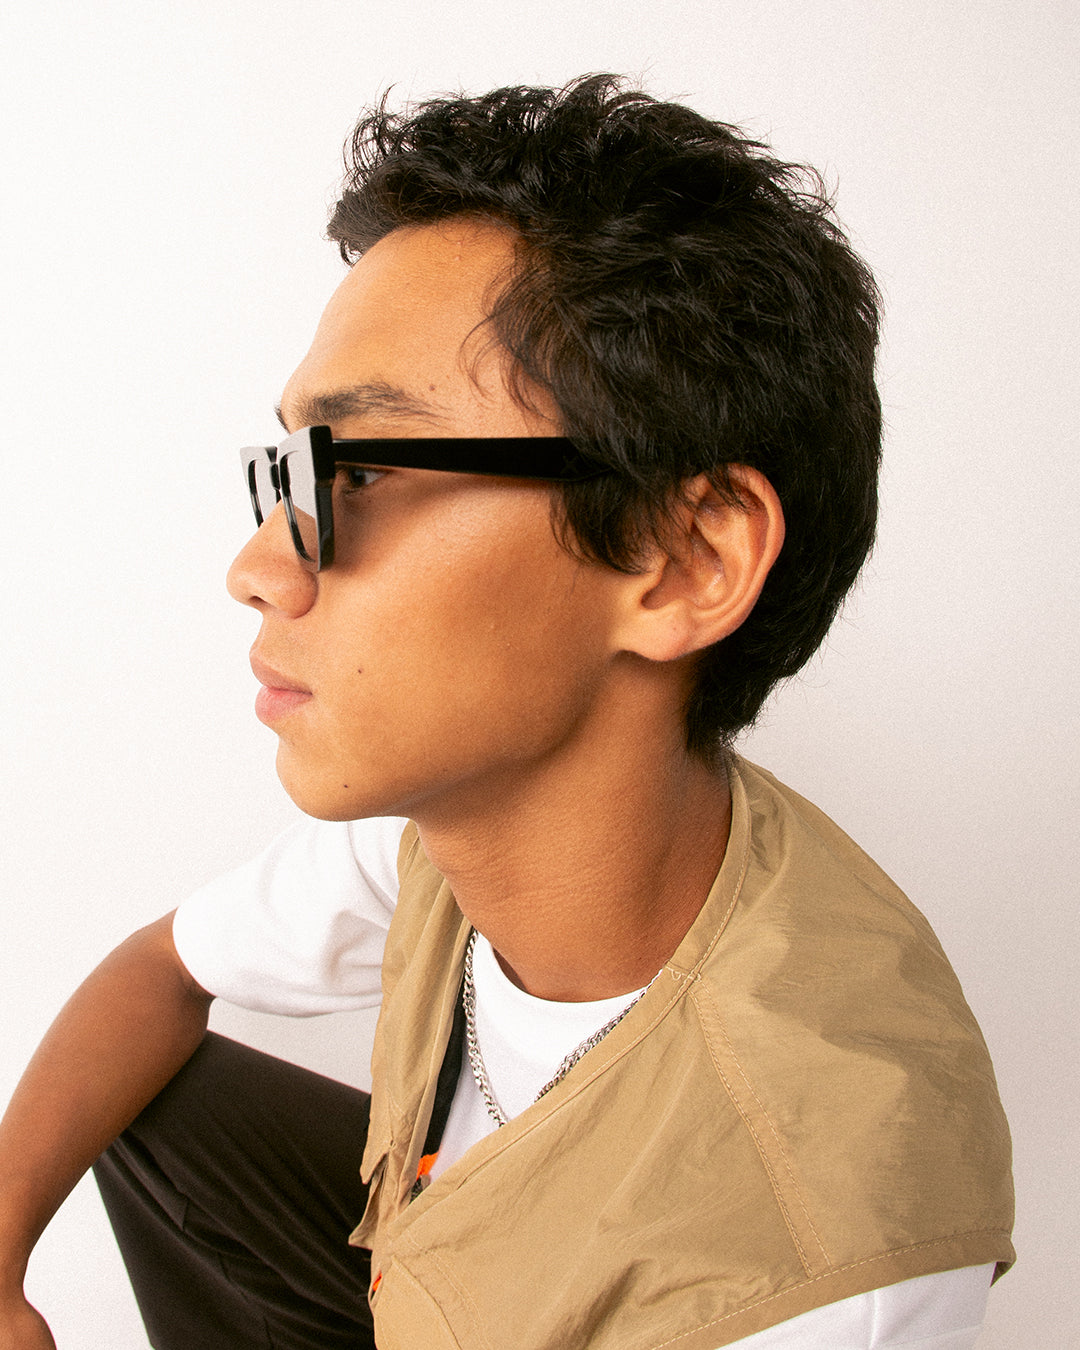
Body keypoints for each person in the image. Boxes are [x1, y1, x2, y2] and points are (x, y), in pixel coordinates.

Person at [0, 76, 1013, 1350]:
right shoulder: (446, 830)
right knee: (153, 1095)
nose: (258, 565)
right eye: (293, 469)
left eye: (365, 467)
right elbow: (161, 969)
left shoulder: (818, 1269)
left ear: (686, 559)